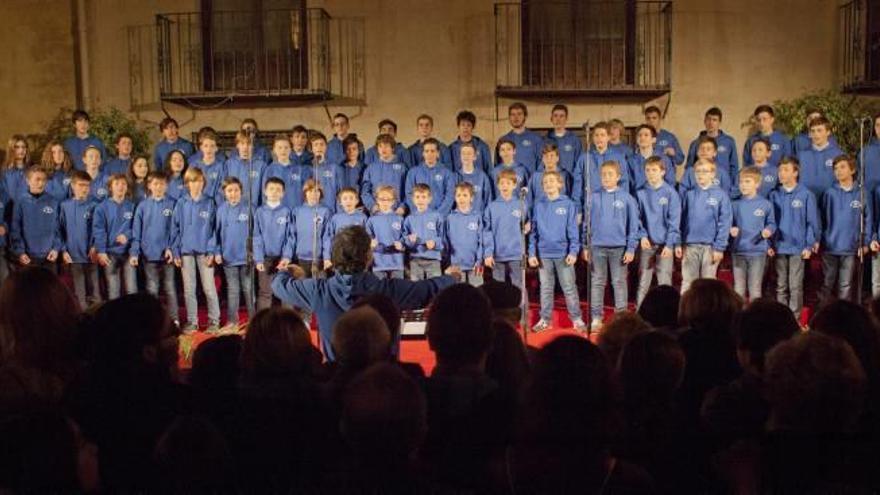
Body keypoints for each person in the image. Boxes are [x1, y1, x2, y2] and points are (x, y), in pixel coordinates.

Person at [271, 225, 458, 360]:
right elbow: (427, 290)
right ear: (368, 257)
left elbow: (279, 285)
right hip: (382, 383)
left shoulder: (319, 290)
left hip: (337, 380)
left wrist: (287, 271)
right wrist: (451, 277)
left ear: (334, 257)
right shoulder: (388, 291)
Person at [583, 160, 640, 330]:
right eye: (603, 174)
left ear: (618, 177)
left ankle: (620, 318)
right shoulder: (593, 197)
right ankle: (596, 318)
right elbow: (587, 225)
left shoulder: (627, 199)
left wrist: (630, 248)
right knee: (598, 282)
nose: (606, 177)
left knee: (619, 282)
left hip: (619, 248)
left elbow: (633, 225)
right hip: (597, 247)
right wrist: (586, 246)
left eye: (610, 174)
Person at [529, 171, 585, 331]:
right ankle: (545, 320)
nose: (548, 184)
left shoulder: (568, 204)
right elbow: (534, 231)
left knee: (569, 287)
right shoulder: (539, 205)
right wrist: (532, 253)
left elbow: (573, 230)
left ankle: (577, 319)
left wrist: (573, 251)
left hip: (563, 254)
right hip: (544, 254)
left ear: (560, 184)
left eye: (552, 181)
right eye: (545, 182)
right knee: (546, 287)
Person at [171, 167, 220, 333]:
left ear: (203, 183)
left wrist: (212, 251)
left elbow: (215, 230)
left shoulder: (210, 202)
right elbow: (175, 229)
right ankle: (192, 322)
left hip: (205, 253)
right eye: (192, 181)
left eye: (199, 181)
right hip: (186, 253)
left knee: (209, 288)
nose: (196, 184)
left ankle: (214, 321)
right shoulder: (181, 203)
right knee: (189, 290)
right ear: (187, 183)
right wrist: (176, 251)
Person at [769, 156, 819, 320]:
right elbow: (769, 222)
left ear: (795, 172)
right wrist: (770, 243)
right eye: (780, 170)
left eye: (786, 170)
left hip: (798, 248)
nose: (781, 174)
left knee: (795, 285)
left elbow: (812, 222)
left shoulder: (805, 195)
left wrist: (809, 245)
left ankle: (795, 319)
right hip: (779, 247)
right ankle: (782, 319)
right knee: (781, 285)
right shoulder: (774, 195)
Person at [822, 154, 875, 303]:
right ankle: (822, 318)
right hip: (831, 247)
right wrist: (824, 239)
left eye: (842, 167)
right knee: (827, 284)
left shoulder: (862, 193)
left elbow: (868, 219)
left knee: (845, 286)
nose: (838, 171)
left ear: (852, 170)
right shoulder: (829, 193)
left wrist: (865, 244)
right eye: (836, 168)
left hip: (852, 248)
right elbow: (823, 220)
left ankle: (843, 320)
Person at [677, 158, 733, 293]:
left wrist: (719, 247)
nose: (701, 175)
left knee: (708, 285)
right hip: (690, 246)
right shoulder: (688, 195)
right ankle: (686, 312)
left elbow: (725, 222)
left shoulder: (721, 195)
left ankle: (708, 313)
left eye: (705, 171)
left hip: (710, 247)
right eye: (698, 172)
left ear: (713, 174)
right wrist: (680, 243)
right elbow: (680, 221)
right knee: (688, 284)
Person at [130, 171, 178, 321]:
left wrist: (171, 248)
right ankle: (155, 320)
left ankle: (174, 319)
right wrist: (135, 252)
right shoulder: (142, 206)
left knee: (170, 288)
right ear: (149, 185)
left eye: (162, 184)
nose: (158, 187)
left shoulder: (172, 204)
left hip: (167, 254)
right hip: (148, 254)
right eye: (155, 184)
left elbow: (175, 229)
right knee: (152, 289)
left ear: (167, 186)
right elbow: (136, 232)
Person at [635, 155, 681, 306]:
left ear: (662, 172)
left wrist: (669, 244)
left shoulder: (670, 193)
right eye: (647, 170)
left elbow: (674, 221)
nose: (650, 173)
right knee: (643, 281)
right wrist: (642, 236)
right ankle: (640, 313)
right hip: (647, 243)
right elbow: (637, 218)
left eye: (654, 170)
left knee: (664, 281)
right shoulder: (640, 192)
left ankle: (667, 314)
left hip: (664, 244)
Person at [730, 167, 776, 300]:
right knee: (739, 289)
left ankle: (754, 319)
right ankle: (739, 319)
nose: (743, 185)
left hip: (757, 252)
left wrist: (768, 231)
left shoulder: (765, 204)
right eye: (741, 182)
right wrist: (731, 230)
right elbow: (728, 224)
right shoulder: (735, 205)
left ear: (757, 184)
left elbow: (772, 223)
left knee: (755, 289)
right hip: (738, 251)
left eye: (747, 181)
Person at [214, 177, 254, 324]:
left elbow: (256, 233)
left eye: (236, 190)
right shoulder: (221, 210)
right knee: (233, 290)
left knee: (248, 289)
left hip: (246, 258)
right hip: (228, 258)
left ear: (241, 191)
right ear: (224, 192)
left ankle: (253, 320)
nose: (233, 193)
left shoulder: (249, 208)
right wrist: (217, 252)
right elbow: (216, 234)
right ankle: (232, 321)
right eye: (229, 190)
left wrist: (255, 253)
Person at [291, 179, 330, 323]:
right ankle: (304, 320)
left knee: (320, 290)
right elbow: (292, 235)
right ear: (305, 193)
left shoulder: (325, 211)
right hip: (302, 258)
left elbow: (327, 236)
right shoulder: (297, 211)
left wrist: (326, 257)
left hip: (318, 259)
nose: (314, 194)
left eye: (317, 191)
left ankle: (323, 320)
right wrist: (288, 256)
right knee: (304, 290)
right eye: (310, 191)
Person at [59, 171, 100, 309]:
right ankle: (83, 319)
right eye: (81, 185)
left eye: (87, 186)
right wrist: (64, 251)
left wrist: (95, 246)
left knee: (95, 290)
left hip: (91, 255)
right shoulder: (65, 206)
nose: (84, 189)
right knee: (79, 292)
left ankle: (98, 320)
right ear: (72, 186)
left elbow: (99, 229)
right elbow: (60, 230)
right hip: (74, 256)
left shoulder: (95, 205)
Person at [93, 174, 137, 299]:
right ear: (110, 187)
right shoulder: (102, 208)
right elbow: (99, 230)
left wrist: (127, 236)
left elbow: (137, 228)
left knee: (131, 289)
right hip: (110, 253)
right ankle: (115, 317)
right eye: (117, 184)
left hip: (128, 252)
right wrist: (101, 251)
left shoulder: (132, 206)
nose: (120, 187)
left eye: (123, 184)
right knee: (113, 291)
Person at [483, 169, 529, 288]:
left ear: (514, 185)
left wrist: (529, 226)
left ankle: (521, 307)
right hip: (497, 255)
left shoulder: (521, 204)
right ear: (497, 185)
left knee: (519, 287)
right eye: (502, 183)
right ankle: (501, 307)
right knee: (499, 288)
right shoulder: (491, 207)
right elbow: (487, 231)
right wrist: (488, 253)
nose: (505, 186)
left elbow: (527, 224)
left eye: (508, 183)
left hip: (516, 254)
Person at [253, 177, 293, 311]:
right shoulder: (259, 212)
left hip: (283, 259)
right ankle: (262, 324)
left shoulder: (287, 212)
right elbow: (257, 237)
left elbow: (290, 237)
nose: (274, 192)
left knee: (285, 292)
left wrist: (286, 257)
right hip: (265, 258)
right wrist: (258, 259)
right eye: (271, 189)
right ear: (265, 191)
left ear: (283, 193)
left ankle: (288, 324)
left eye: (278, 190)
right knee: (265, 292)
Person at [10, 166, 61, 269]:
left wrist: (55, 249)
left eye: (43, 180)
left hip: (49, 257)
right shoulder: (20, 201)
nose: (41, 183)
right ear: (28, 181)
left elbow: (59, 229)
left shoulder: (54, 202)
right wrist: (20, 252)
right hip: (27, 257)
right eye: (37, 179)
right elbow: (15, 229)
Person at [685, 108, 739, 188]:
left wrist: (732, 185)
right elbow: (689, 166)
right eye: (708, 119)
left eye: (714, 120)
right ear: (704, 121)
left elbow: (734, 166)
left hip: (722, 184)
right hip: (701, 185)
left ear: (719, 122)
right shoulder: (696, 143)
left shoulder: (729, 141)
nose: (711, 123)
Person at [405, 137, 456, 215]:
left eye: (432, 151)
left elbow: (450, 196)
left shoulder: (447, 173)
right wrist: (417, 211)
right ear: (423, 153)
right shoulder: (413, 172)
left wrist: (438, 214)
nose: (429, 154)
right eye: (426, 151)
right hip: (418, 216)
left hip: (440, 217)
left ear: (438, 153)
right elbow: (409, 194)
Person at [446, 182, 485, 286]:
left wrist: (479, 260)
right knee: (458, 292)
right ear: (455, 197)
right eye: (458, 195)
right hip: (456, 266)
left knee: (478, 291)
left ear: (471, 198)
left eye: (465, 195)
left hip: (476, 265)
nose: (461, 198)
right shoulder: (450, 218)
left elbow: (482, 240)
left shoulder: (477, 217)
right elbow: (446, 241)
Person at [403, 183, 444, 280]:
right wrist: (410, 241)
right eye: (417, 197)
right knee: (417, 289)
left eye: (423, 197)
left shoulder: (436, 216)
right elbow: (405, 240)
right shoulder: (409, 219)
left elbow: (443, 237)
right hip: (415, 259)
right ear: (413, 199)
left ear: (429, 199)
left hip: (433, 258)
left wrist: (435, 243)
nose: (420, 200)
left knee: (435, 287)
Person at [261, 133, 311, 210]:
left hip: (296, 211)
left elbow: (306, 192)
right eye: (279, 148)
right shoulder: (270, 170)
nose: (283, 150)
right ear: (274, 150)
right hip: (277, 213)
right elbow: (264, 194)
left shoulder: (299, 169)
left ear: (291, 149)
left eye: (286, 147)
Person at [361, 134, 408, 214]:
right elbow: (365, 192)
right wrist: (372, 206)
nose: (383, 149)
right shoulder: (371, 168)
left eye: (386, 146)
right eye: (380, 146)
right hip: (377, 212)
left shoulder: (402, 168)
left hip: (397, 212)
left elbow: (408, 191)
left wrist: (402, 207)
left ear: (392, 148)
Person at [366, 185, 405, 279]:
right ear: (377, 200)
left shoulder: (399, 219)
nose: (385, 202)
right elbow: (367, 237)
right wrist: (370, 243)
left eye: (388, 199)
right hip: (378, 262)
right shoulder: (372, 220)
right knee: (380, 291)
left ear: (393, 201)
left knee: (398, 290)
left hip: (397, 261)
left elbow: (405, 236)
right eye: (382, 199)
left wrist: (402, 244)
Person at [322, 187, 367, 270]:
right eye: (345, 198)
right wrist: (327, 258)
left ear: (357, 201)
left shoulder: (363, 218)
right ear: (340, 202)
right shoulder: (335, 218)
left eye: (351, 198)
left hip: (357, 257)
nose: (348, 201)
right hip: (339, 257)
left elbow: (367, 239)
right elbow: (328, 238)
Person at [798, 116, 842, 200]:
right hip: (808, 201)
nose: (816, 134)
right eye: (813, 131)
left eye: (819, 130)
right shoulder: (802, 155)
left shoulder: (838, 154)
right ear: (809, 134)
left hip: (831, 200)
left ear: (828, 132)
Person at [579, 121, 630, 193]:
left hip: (612, 200)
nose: (599, 138)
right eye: (596, 135)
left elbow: (624, 181)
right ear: (593, 138)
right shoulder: (585, 158)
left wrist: (622, 201)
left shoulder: (618, 157)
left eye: (602, 135)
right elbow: (578, 183)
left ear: (608, 137)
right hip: (591, 201)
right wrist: (577, 203)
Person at [224, 130, 266, 210]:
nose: (245, 147)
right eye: (242, 143)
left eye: (249, 144)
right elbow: (222, 189)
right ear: (237, 145)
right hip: (233, 209)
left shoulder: (261, 166)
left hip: (253, 210)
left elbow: (264, 192)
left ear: (253, 146)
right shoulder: (229, 164)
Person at [499, 102, 544, 173]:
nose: (516, 117)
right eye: (513, 114)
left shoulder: (536, 139)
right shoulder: (503, 140)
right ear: (509, 117)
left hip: (529, 182)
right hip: (509, 182)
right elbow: (498, 165)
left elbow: (542, 163)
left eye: (519, 114)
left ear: (525, 116)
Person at [628, 124, 675, 190]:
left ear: (654, 140)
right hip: (638, 198)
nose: (642, 138)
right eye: (639, 135)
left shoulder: (664, 159)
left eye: (646, 135)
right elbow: (629, 184)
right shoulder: (631, 161)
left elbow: (671, 183)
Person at [528, 143, 574, 207]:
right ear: (542, 159)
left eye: (552, 156)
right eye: (546, 156)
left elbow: (571, 195)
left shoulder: (565, 175)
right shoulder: (535, 176)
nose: (549, 159)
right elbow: (529, 198)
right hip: (540, 212)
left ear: (557, 158)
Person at [188, 129, 226, 205]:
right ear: (201, 148)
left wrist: (214, 203)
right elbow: (189, 186)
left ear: (216, 148)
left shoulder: (222, 166)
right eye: (206, 146)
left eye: (212, 146)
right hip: (197, 203)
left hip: (214, 205)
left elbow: (222, 188)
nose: (209, 149)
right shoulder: (194, 165)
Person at [449, 110, 492, 175]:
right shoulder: (451, 148)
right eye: (463, 125)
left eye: (468, 125)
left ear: (473, 127)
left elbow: (489, 169)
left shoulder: (482, 146)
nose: (465, 128)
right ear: (458, 126)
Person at [544, 103, 583, 174]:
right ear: (551, 119)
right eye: (555, 116)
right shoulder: (545, 140)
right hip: (550, 181)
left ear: (566, 119)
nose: (558, 119)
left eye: (561, 116)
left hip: (568, 181)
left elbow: (579, 166)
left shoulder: (574, 140)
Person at [307, 131, 341, 213]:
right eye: (316, 144)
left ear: (326, 147)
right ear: (311, 148)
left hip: (331, 210)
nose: (319, 147)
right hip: (312, 211)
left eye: (322, 144)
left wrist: (339, 212)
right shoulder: (307, 168)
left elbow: (340, 192)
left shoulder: (334, 167)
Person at [456, 141, 493, 212]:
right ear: (460, 156)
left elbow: (488, 200)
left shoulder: (482, 177)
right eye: (463, 153)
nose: (466, 156)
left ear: (475, 157)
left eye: (469, 153)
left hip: (478, 219)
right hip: (460, 219)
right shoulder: (456, 176)